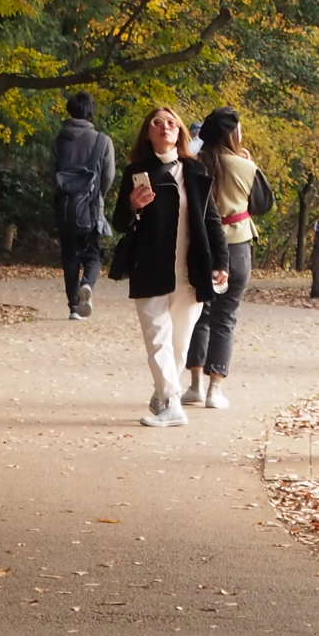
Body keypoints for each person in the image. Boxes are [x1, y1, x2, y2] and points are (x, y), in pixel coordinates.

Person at [110, 106, 229, 429]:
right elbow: (119, 222)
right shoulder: (136, 172)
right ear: (148, 133)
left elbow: (212, 220)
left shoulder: (196, 172)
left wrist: (222, 263)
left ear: (180, 132)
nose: (165, 127)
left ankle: (164, 395)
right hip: (149, 267)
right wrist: (134, 206)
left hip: (191, 270)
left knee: (179, 342)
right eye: (157, 123)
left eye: (171, 123)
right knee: (157, 337)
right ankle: (172, 404)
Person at [185, 108, 272, 412]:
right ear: (234, 134)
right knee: (226, 316)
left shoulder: (193, 165)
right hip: (236, 243)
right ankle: (215, 390)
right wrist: (249, 164)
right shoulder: (244, 166)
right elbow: (263, 204)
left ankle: (194, 385)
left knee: (199, 313)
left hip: (200, 245)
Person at [49, 92, 116, 321]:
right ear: (91, 112)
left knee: (69, 258)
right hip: (90, 207)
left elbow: (51, 174)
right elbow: (109, 175)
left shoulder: (59, 140)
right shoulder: (102, 141)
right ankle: (87, 284)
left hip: (66, 207)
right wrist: (97, 197)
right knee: (93, 254)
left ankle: (73, 307)